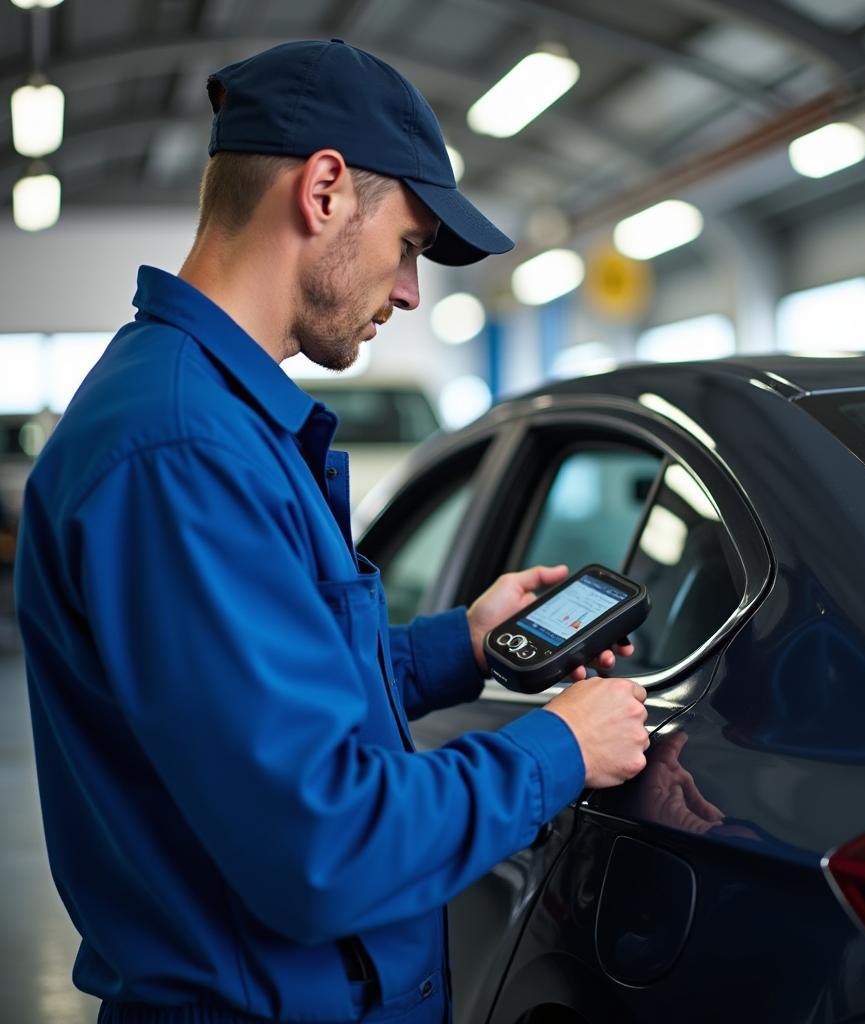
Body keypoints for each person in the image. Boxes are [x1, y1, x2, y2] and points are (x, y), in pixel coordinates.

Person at [14, 39, 650, 1024]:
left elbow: (269, 701)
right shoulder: (182, 450)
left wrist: (464, 644)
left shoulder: (209, 419)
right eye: (407, 244)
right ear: (323, 191)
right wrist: (558, 747)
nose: (407, 290)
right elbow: (325, 843)